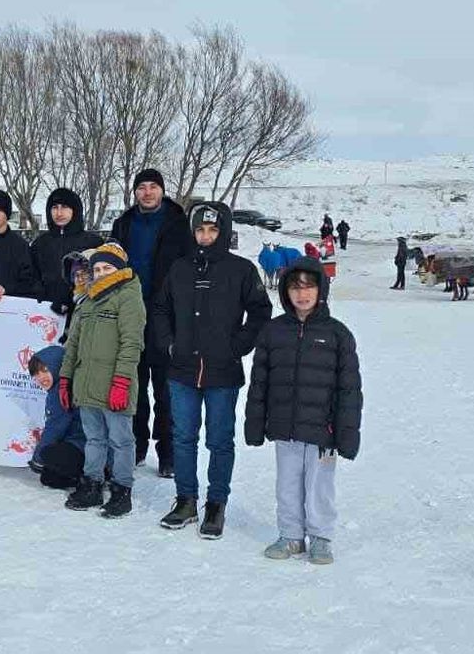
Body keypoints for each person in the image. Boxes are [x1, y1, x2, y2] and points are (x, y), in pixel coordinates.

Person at [152, 201, 272, 539]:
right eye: (200, 230)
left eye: (212, 230)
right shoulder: (179, 268)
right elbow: (160, 309)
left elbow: (260, 311)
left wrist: (238, 345)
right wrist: (169, 344)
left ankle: (216, 504)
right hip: (182, 370)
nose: (205, 236)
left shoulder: (241, 270)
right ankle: (185, 500)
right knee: (183, 437)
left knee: (219, 440)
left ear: (223, 232)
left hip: (223, 371)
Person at [245, 257, 362, 565]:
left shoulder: (337, 334)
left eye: (309, 286)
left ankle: (321, 536)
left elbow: (349, 389)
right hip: (285, 426)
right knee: (287, 484)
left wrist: (347, 433)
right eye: (295, 287)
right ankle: (291, 535)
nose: (302, 294)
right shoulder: (273, 332)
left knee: (319, 486)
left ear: (321, 290)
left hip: (324, 430)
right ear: (286, 291)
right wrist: (255, 424)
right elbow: (259, 382)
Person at [109, 168, 191, 477]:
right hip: (130, 314)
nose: (147, 192)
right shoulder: (123, 224)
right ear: (135, 192)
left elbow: (189, 269)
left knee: (167, 389)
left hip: (166, 316)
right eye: (141, 187)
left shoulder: (178, 224)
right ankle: (137, 445)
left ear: (162, 190)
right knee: (134, 385)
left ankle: (168, 452)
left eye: (153, 187)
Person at [59, 242, 146, 518]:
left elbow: (132, 343)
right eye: (97, 269)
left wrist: (122, 381)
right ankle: (92, 484)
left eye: (107, 268)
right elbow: (73, 344)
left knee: (121, 440)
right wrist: (65, 378)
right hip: (87, 383)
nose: (101, 274)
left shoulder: (129, 296)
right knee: (94, 438)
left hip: (114, 385)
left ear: (119, 269)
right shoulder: (88, 299)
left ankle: (122, 488)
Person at [30, 188, 102, 321]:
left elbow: (101, 278)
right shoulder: (40, 244)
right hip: (48, 313)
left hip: (83, 314)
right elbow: (32, 276)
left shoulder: (93, 242)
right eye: (54, 207)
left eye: (64, 207)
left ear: (75, 210)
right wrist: (41, 294)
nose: (59, 213)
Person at [26, 345, 85, 486]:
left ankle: (90, 475)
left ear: (58, 367)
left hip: (83, 446)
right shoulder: (65, 386)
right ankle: (80, 477)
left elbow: (55, 428)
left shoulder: (60, 391)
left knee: (48, 454)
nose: (41, 377)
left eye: (45, 370)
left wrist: (38, 458)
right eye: (36, 374)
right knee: (49, 478)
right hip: (80, 444)